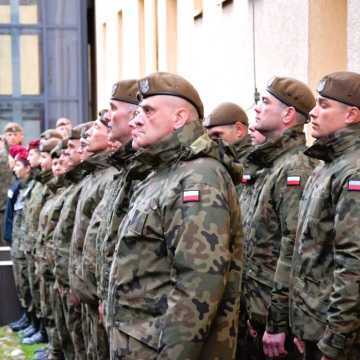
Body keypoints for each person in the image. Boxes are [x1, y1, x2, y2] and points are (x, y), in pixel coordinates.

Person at [107, 72, 243, 359]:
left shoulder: (198, 178)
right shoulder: (163, 173)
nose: (135, 120)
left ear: (179, 118)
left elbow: (197, 288)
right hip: (141, 343)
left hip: (162, 349)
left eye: (147, 111)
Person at [241, 76, 318, 360]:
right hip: (259, 314)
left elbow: (292, 248)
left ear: (288, 114)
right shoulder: (270, 165)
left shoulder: (295, 167)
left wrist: (277, 322)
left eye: (265, 102)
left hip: (279, 326)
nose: (257, 109)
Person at [289, 71, 360, 360]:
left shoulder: (352, 171)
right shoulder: (327, 165)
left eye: (324, 105)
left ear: (352, 114)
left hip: (336, 338)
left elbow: (353, 262)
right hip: (315, 326)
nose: (313, 113)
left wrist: (335, 341)